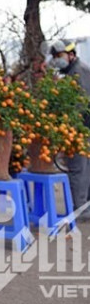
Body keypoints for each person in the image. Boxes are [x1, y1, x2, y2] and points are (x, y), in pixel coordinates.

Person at [50, 39, 90, 218]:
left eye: (59, 56)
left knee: (78, 168)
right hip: (84, 128)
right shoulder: (75, 70)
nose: (57, 60)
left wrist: (67, 128)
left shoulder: (78, 73)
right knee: (85, 169)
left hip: (81, 129)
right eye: (55, 57)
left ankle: (80, 209)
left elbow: (79, 106)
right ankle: (84, 207)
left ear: (71, 54)